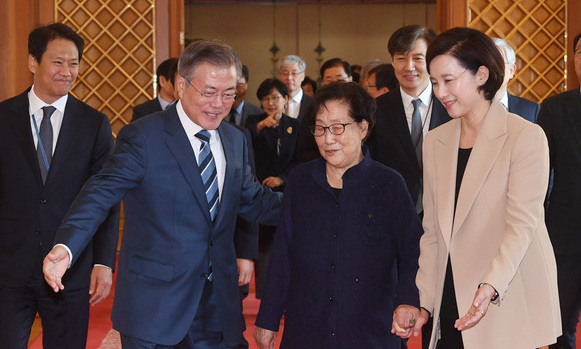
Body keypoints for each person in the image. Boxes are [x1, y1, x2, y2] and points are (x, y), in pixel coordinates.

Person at [43, 39, 283, 349]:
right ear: (181, 86)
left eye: (229, 94)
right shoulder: (143, 136)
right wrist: (67, 245)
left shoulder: (235, 139)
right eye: (209, 92)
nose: (220, 104)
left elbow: (252, 200)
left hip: (218, 307)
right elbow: (100, 192)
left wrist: (317, 203)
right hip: (154, 307)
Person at [414, 27, 561, 349]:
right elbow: (433, 231)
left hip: (504, 291)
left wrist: (490, 284)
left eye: (449, 80)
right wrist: (424, 299)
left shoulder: (525, 136)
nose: (440, 92)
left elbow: (522, 224)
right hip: (449, 292)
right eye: (434, 81)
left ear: (482, 75)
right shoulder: (436, 141)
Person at [253, 82, 423, 349]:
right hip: (308, 327)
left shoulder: (388, 184)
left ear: (363, 127)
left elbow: (414, 248)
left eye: (337, 127)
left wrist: (408, 299)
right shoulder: (300, 181)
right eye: (319, 128)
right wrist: (268, 318)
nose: (327, 138)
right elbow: (283, 252)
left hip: (370, 328)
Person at [0, 23, 120, 348]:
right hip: (9, 270)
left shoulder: (94, 124)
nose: (67, 71)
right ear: (32, 62)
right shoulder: (3, 117)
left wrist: (103, 262)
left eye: (74, 63)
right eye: (57, 62)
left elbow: (106, 197)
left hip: (71, 269)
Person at [367, 25, 451, 217]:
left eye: (418, 58)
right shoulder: (374, 110)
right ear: (392, 61)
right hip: (390, 214)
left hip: (444, 215)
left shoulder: (452, 106)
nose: (409, 67)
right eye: (401, 59)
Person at [538, 32, 581, 349]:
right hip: (566, 234)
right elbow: (539, 173)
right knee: (558, 325)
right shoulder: (554, 108)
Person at [246, 79, 299, 299]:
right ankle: (267, 295)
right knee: (265, 245)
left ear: (286, 100)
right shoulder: (253, 123)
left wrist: (282, 179)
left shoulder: (296, 125)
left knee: (291, 243)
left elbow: (301, 159)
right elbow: (246, 149)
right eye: (266, 98)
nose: (270, 102)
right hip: (261, 194)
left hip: (288, 192)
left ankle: (291, 295)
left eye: (275, 97)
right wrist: (259, 128)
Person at [492, 38, 540, 123]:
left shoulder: (531, 110)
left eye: (499, 63)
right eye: (488, 63)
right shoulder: (467, 108)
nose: (493, 68)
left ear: (512, 70)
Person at [131, 57, 178, 122]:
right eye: (175, 80)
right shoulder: (142, 111)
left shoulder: (187, 109)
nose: (180, 85)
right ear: (162, 81)